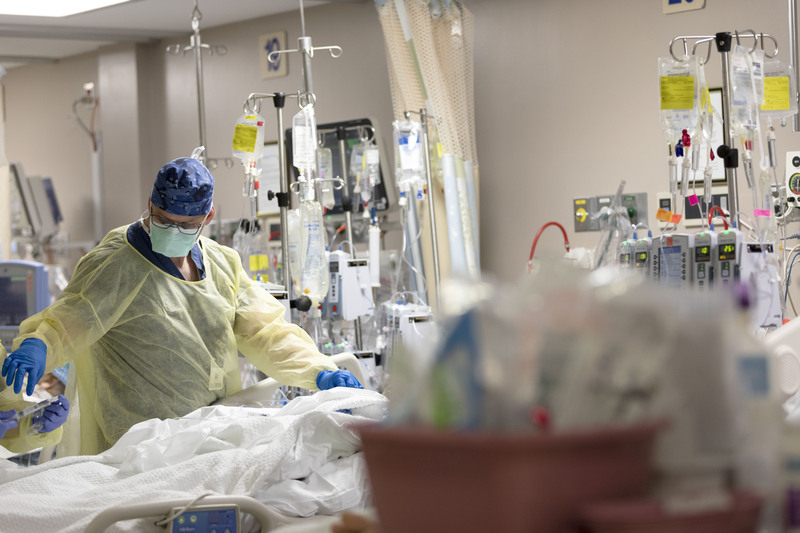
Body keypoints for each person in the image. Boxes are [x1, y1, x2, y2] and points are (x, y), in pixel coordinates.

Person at [1, 151, 361, 456]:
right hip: (142, 447)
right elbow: (71, 318)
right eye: (163, 220)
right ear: (150, 205)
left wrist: (318, 370)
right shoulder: (116, 263)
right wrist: (39, 344)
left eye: (186, 224)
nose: (173, 231)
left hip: (214, 432)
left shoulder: (223, 264)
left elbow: (267, 333)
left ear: (208, 217)